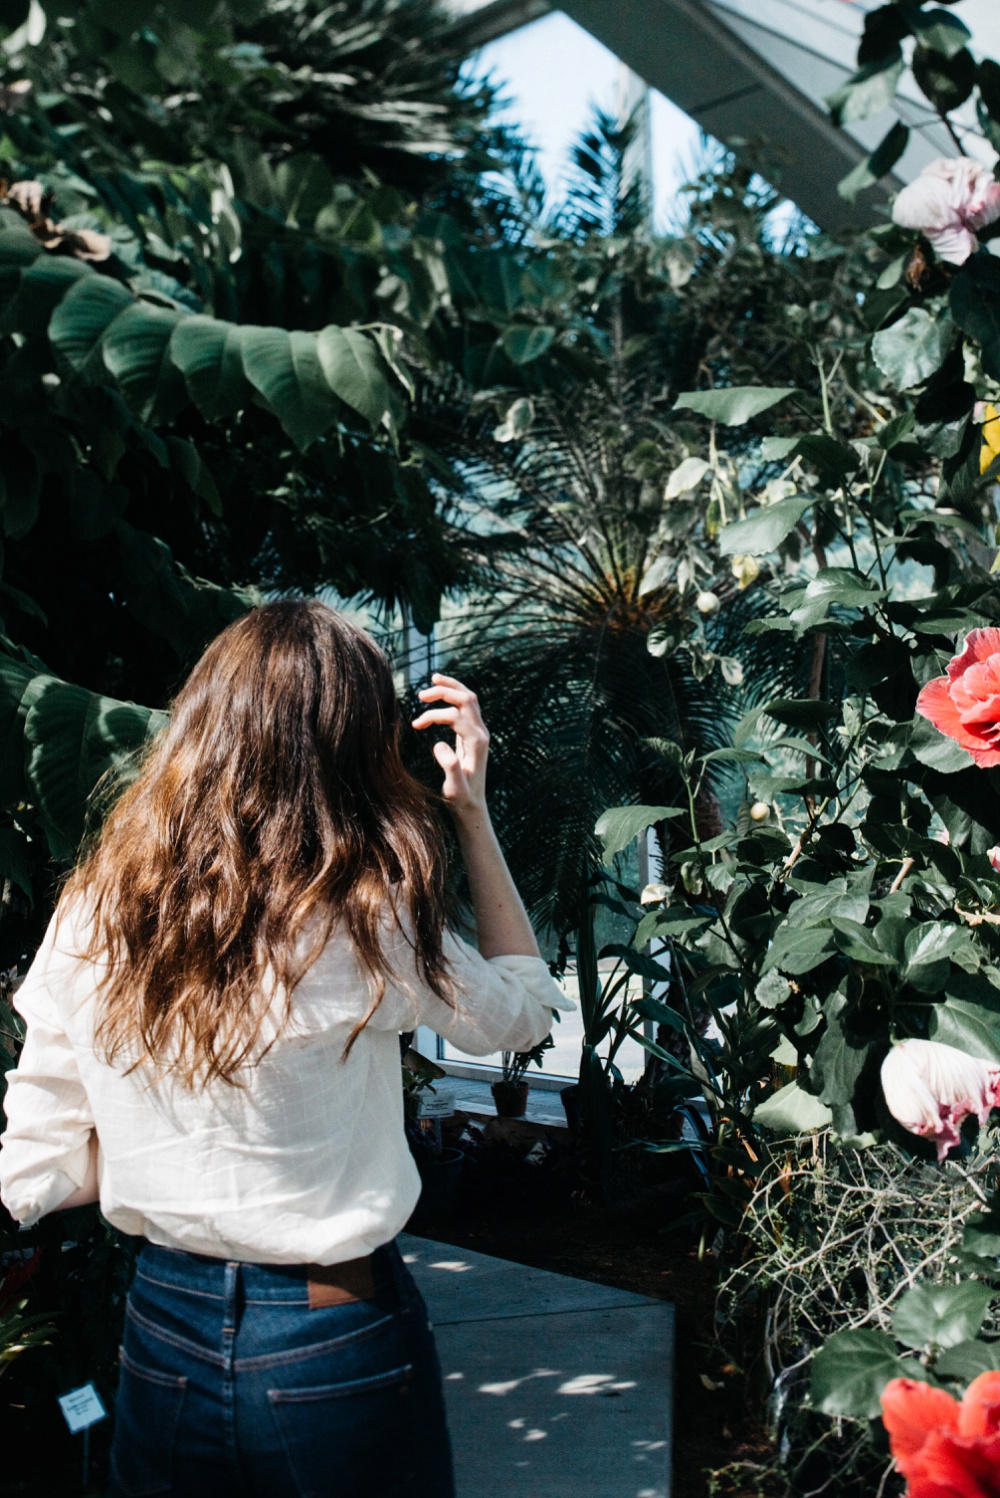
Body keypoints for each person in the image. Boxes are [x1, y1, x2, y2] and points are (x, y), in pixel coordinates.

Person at [0, 599, 573, 1498]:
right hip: (330, 1328)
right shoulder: (369, 910)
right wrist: (471, 813)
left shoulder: (99, 909)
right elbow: (528, 1012)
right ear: (356, 749)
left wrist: (178, 1145)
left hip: (162, 1326)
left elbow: (37, 1176)